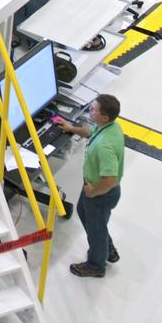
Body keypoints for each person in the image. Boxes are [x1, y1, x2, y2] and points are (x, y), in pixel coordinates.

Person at [56, 93, 124, 278]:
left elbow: (109, 179)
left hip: (101, 191)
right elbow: (91, 131)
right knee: (86, 214)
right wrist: (72, 128)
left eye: (93, 109)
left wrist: (93, 192)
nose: (90, 110)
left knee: (96, 227)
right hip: (94, 187)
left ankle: (96, 265)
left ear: (104, 117)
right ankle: (108, 249)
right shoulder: (110, 127)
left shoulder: (105, 146)